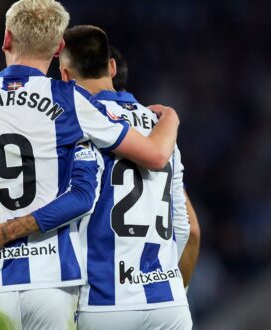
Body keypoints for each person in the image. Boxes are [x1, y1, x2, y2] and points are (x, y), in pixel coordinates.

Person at [0, 0, 180, 329]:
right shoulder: (72, 100)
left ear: (6, 39)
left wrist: (0, 229)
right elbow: (156, 156)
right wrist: (170, 116)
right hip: (51, 283)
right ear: (58, 48)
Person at [58, 25, 192, 329]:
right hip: (168, 301)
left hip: (104, 300)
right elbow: (182, 226)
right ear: (112, 66)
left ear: (65, 76)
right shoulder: (162, 128)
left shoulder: (77, 124)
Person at [109, 45, 201, 289]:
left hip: (106, 296)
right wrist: (175, 294)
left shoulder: (84, 130)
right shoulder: (162, 129)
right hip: (162, 297)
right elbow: (191, 232)